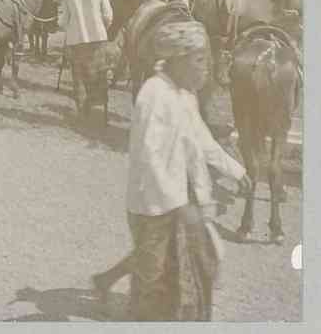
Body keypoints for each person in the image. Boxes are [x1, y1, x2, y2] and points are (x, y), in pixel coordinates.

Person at [91, 21, 251, 321]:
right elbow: (150, 157)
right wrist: (179, 206)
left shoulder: (185, 95)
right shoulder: (154, 95)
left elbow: (202, 140)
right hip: (153, 206)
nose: (205, 68)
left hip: (180, 200)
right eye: (199, 60)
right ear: (178, 59)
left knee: (196, 270)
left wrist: (236, 171)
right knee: (153, 289)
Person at [58, 0, 113, 118]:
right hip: (98, 39)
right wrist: (101, 28)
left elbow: (63, 22)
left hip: (76, 41)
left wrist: (71, 27)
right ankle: (100, 113)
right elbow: (108, 16)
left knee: (79, 76)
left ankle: (83, 112)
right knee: (98, 74)